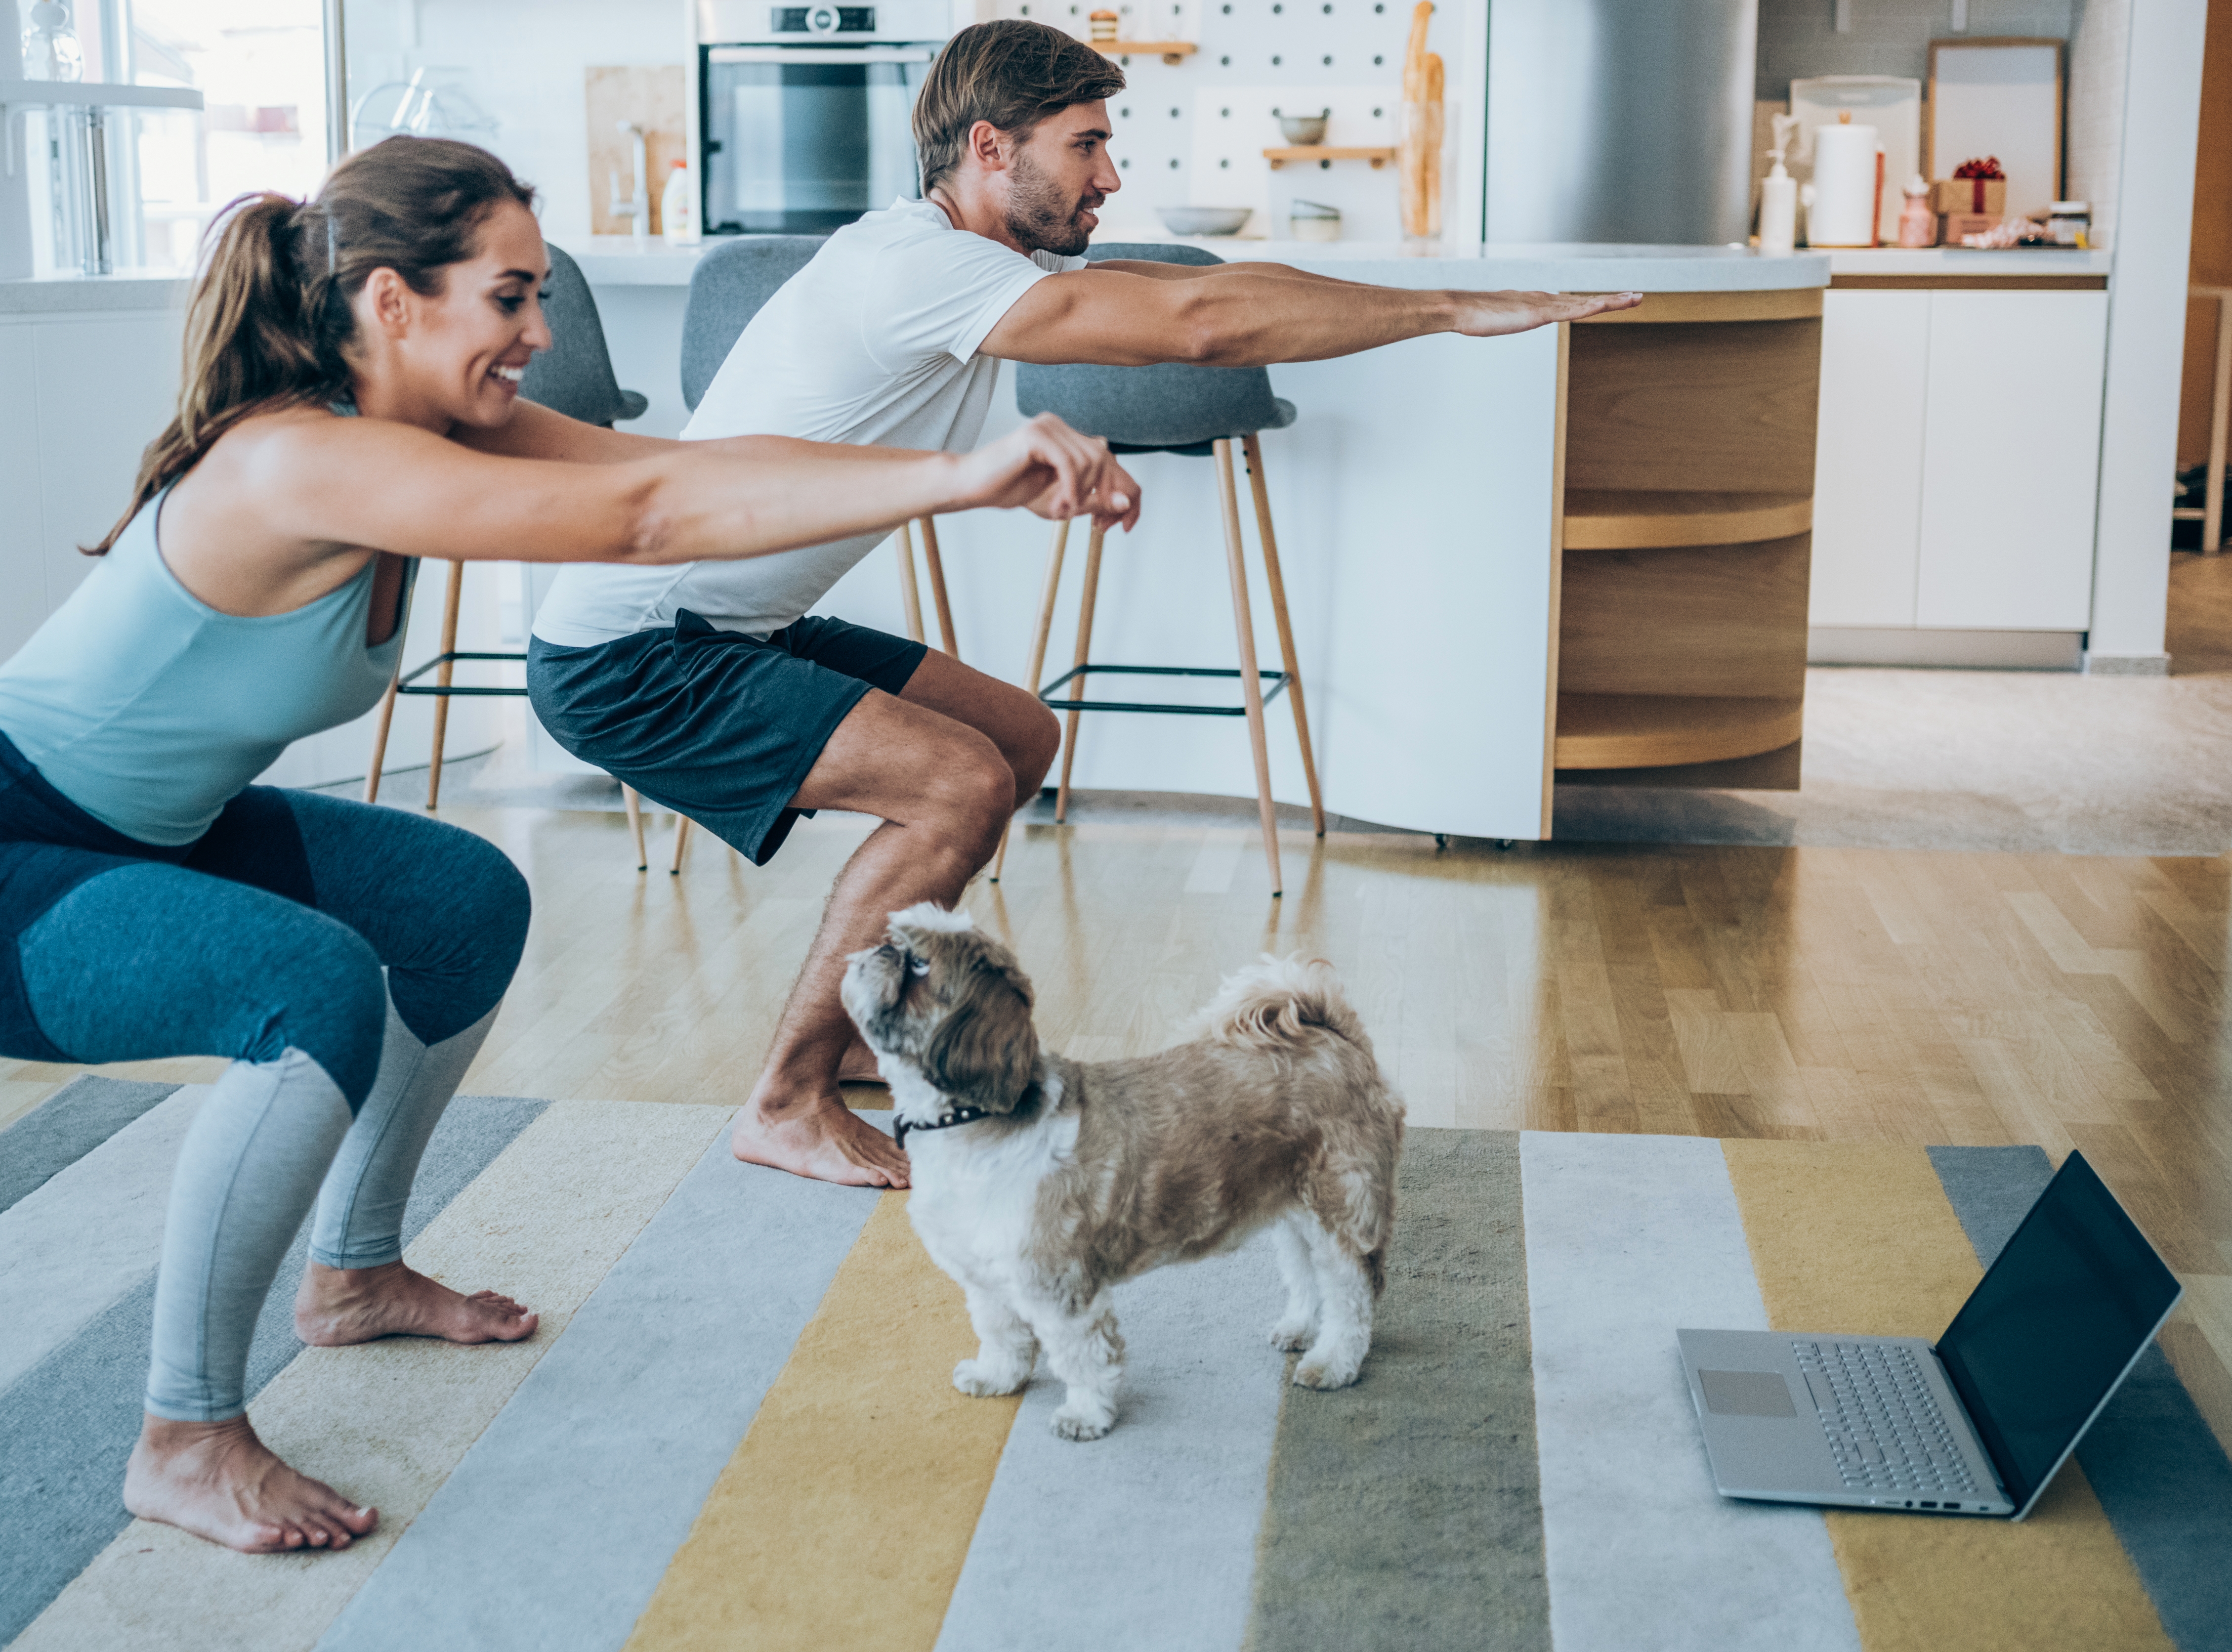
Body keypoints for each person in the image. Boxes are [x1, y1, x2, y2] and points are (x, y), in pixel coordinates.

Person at [0, 136, 1133, 1555]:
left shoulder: (428, 432)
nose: (541, 333)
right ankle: (184, 1436)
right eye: (509, 297)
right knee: (308, 992)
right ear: (391, 301)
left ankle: (356, 1275)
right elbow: (645, 520)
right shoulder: (301, 460)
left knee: (455, 901)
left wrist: (955, 464)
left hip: (131, 833)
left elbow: (682, 468)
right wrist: (961, 477)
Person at [517, 19, 1642, 1190]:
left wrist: (1436, 293)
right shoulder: (919, 266)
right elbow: (1202, 327)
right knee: (956, 784)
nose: (1111, 175)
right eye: (1088, 144)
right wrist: (1456, 312)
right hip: (633, 649)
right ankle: (783, 1098)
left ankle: (853, 1032)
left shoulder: (972, 257)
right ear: (992, 148)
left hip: (725, 626)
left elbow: (1197, 289)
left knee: (1015, 736)